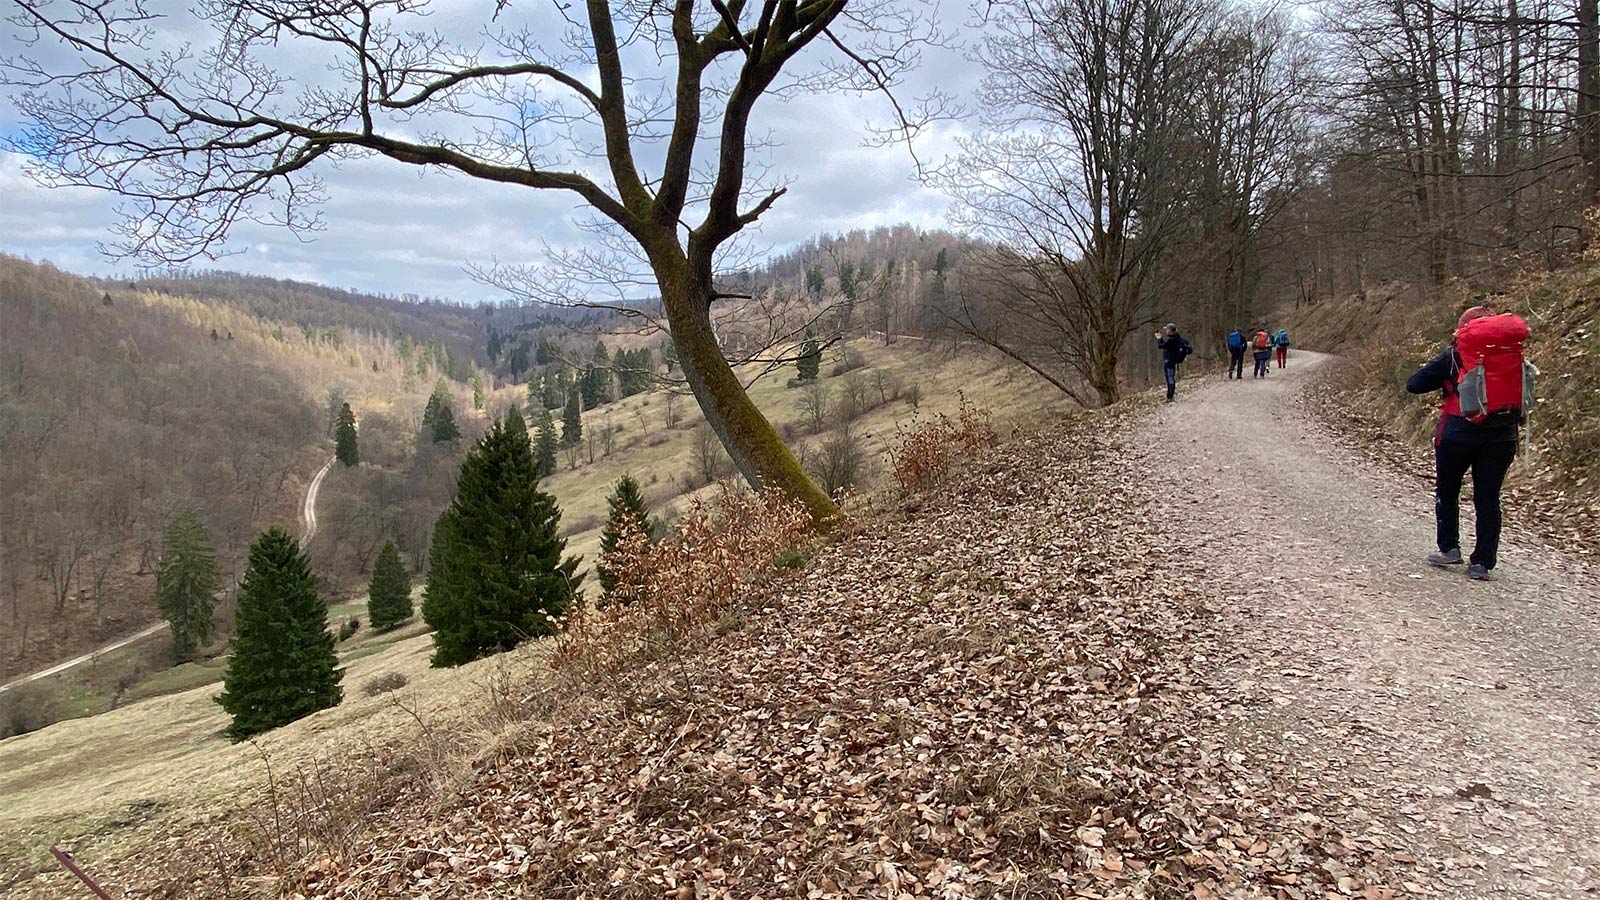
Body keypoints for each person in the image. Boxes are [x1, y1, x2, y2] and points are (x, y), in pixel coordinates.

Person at [1405, 306, 1521, 581]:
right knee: (1488, 497)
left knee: (1448, 490)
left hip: (1457, 432)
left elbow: (1414, 384)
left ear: (1463, 330)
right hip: (1502, 434)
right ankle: (1482, 562)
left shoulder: (1454, 356)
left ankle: (1449, 548)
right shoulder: (1510, 355)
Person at [1154, 323, 1191, 402]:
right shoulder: (1177, 338)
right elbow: (1165, 346)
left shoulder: (1172, 340)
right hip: (1173, 361)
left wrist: (1158, 338)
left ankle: (1170, 396)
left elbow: (1161, 346)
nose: (1166, 331)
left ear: (1170, 330)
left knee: (1170, 378)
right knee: (1171, 378)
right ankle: (1170, 395)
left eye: (1167, 329)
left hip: (1169, 361)